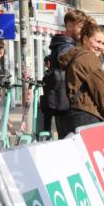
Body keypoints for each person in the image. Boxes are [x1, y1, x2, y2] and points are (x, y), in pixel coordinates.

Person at [58, 22, 104, 136]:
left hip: (69, 114)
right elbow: (101, 91)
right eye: (97, 41)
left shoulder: (73, 56)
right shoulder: (89, 58)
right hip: (87, 115)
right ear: (85, 39)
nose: (101, 47)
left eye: (103, 44)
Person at [39, 8, 88, 137]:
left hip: (63, 102)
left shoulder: (62, 44)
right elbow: (65, 58)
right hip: (68, 104)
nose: (83, 31)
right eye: (81, 27)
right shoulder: (66, 47)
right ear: (69, 25)